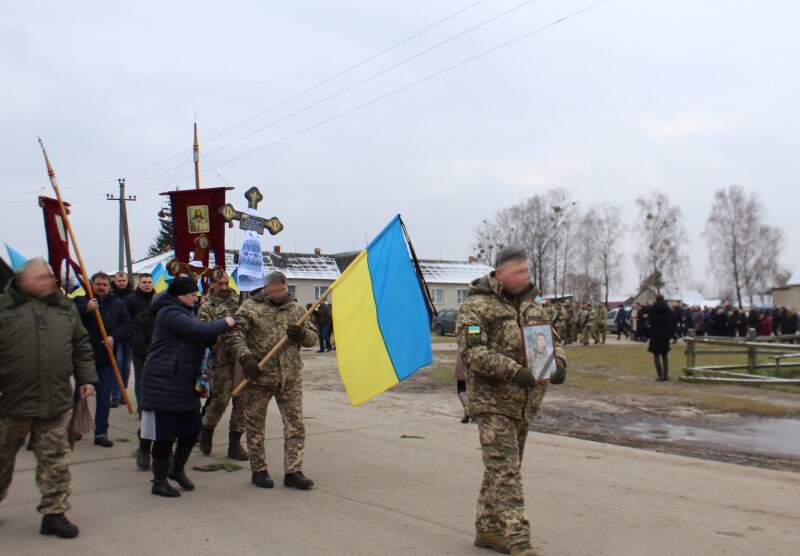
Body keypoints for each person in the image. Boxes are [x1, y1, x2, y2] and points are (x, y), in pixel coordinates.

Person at [456, 245, 567, 556]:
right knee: (506, 471)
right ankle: (518, 538)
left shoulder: (534, 306)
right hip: (492, 402)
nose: (524, 276)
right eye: (517, 271)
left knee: (502, 468)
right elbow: (473, 352)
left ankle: (488, 528)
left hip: (524, 403)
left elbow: (553, 341)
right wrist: (514, 371)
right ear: (500, 273)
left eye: (526, 271)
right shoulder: (477, 307)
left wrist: (559, 364)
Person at [0, 258, 97, 538]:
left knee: (55, 458)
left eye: (49, 276)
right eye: (41, 277)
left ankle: (54, 513)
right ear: (23, 281)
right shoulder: (4, 308)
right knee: (2, 459)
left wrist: (86, 378)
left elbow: (81, 345)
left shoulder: (64, 308)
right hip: (11, 402)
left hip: (56, 400)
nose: (49, 281)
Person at [139, 277, 235, 497]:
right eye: (192, 295)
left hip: (182, 382)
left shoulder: (185, 311)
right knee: (164, 435)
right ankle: (159, 480)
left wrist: (209, 339)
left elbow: (196, 338)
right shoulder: (170, 312)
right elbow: (199, 331)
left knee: (192, 429)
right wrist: (227, 322)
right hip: (165, 381)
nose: (196, 299)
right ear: (179, 296)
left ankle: (177, 469)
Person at [225, 271, 318, 491]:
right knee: (255, 426)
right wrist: (245, 357)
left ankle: (293, 471)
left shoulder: (297, 309)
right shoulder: (250, 308)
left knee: (295, 426)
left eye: (280, 290)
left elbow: (312, 339)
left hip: (289, 378)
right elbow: (233, 334)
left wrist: (301, 334)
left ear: (285, 286)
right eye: (271, 290)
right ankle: (259, 470)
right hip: (259, 377)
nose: (276, 294)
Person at [73, 272, 132, 447]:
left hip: (106, 357)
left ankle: (101, 433)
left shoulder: (118, 304)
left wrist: (114, 337)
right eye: (98, 284)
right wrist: (85, 308)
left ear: (109, 286)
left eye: (105, 285)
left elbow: (127, 324)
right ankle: (75, 428)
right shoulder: (81, 301)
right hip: (85, 357)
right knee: (79, 395)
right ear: (91, 284)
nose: (101, 288)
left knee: (104, 396)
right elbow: (68, 316)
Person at [197, 273, 248, 461]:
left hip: (242, 357)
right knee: (220, 399)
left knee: (242, 400)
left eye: (226, 283)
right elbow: (203, 331)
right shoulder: (206, 307)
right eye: (220, 284)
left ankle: (235, 442)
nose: (224, 287)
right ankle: (207, 429)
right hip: (220, 359)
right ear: (211, 284)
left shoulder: (240, 302)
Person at [131, 294, 158, 470]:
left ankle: (165, 454)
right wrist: (161, 352)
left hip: (173, 373)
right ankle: (144, 445)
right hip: (149, 369)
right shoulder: (141, 319)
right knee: (150, 415)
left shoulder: (179, 317)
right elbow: (138, 346)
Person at [126, 273, 155, 410]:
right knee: (140, 376)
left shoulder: (157, 299)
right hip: (138, 343)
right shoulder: (131, 299)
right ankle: (141, 407)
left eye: (149, 282)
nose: (147, 285)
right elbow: (126, 319)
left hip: (155, 342)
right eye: (144, 282)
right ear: (139, 283)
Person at [110, 272, 134, 407]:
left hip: (129, 336)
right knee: (117, 364)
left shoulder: (132, 295)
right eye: (119, 281)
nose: (121, 283)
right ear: (115, 281)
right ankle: (116, 394)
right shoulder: (111, 296)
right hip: (116, 336)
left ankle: (123, 391)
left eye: (123, 280)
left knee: (126, 366)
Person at [643, 295, 674, 382]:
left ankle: (660, 375)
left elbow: (644, 310)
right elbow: (673, 317)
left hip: (655, 332)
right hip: (665, 332)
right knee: (665, 354)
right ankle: (666, 375)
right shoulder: (667, 309)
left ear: (656, 299)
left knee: (656, 354)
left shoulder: (652, 308)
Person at [454, 352, 472, 424]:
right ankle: (474, 412)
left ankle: (467, 407)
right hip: (477, 359)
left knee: (461, 386)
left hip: (462, 359)